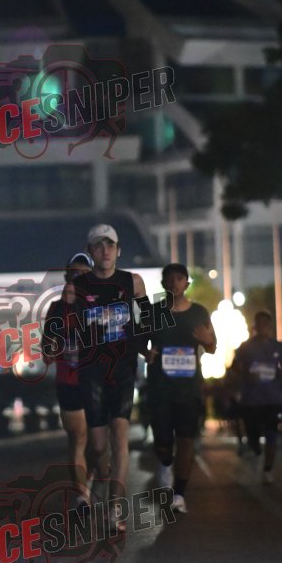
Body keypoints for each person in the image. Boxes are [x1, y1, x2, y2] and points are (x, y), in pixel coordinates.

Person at [64, 224, 159, 531]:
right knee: (97, 446)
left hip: (123, 369)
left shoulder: (133, 281)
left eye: (110, 245)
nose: (105, 251)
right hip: (91, 371)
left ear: (118, 250)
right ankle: (98, 484)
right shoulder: (78, 287)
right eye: (99, 245)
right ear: (90, 251)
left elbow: (148, 317)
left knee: (120, 438)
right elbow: (64, 326)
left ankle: (114, 508)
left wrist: (148, 347)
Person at [145, 263, 216, 513]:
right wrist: (146, 352)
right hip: (160, 388)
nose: (174, 282)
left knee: (186, 439)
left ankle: (179, 494)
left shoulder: (199, 312)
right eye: (169, 278)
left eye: (179, 278)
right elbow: (138, 342)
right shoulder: (154, 312)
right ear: (163, 283)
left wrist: (207, 341)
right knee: (163, 443)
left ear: (187, 283)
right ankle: (165, 462)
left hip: (189, 389)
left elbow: (212, 346)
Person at [42, 252, 94, 505]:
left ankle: (90, 479)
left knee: (98, 444)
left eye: (84, 274)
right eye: (74, 273)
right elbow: (47, 350)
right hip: (69, 381)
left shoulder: (100, 305)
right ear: (66, 277)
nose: (78, 278)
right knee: (78, 439)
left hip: (97, 383)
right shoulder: (56, 308)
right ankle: (82, 495)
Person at [231, 310, 282, 483]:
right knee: (253, 436)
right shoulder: (245, 347)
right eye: (260, 323)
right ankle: (255, 449)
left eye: (266, 323)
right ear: (255, 326)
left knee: (272, 434)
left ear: (270, 326)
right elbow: (235, 366)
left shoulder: (279, 347)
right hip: (251, 400)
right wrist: (247, 374)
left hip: (272, 399)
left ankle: (268, 469)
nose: (263, 326)